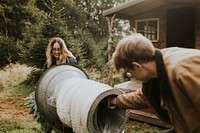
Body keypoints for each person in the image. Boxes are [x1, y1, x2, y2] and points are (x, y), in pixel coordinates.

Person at [108, 32, 200, 133]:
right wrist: (115, 101)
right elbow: (144, 97)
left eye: (129, 72)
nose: (131, 76)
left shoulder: (182, 71)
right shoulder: (157, 65)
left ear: (137, 66)